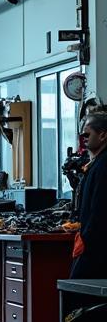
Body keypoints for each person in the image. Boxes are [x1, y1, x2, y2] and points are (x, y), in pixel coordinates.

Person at [70, 113, 107, 280]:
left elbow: (100, 209)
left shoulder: (104, 166)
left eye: (87, 134)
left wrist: (86, 240)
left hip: (96, 246)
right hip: (90, 240)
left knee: (78, 296)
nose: (83, 138)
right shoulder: (95, 164)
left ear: (103, 135)